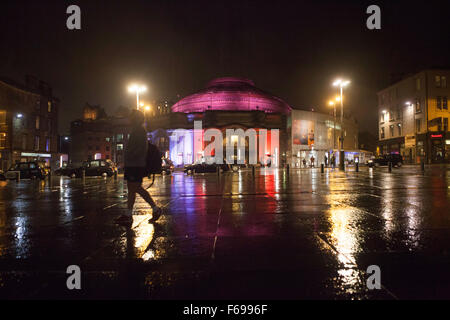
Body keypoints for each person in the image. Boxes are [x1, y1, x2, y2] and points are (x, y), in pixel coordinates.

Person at [115, 110, 162, 225]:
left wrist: (129, 157)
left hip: (135, 164)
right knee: (134, 189)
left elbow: (140, 149)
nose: (129, 119)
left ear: (135, 119)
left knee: (134, 188)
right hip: (134, 164)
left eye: (131, 117)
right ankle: (131, 214)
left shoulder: (139, 131)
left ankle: (153, 209)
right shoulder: (138, 130)